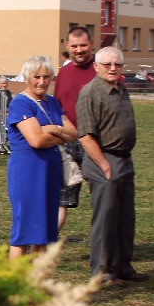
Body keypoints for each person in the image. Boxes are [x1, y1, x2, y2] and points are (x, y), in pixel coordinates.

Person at [76, 46, 145, 286]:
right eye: (107, 64)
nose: (113, 68)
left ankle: (122, 266)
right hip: (104, 160)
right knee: (105, 219)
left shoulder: (121, 89)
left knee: (125, 218)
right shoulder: (90, 92)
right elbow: (85, 135)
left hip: (124, 159)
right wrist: (105, 165)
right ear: (96, 67)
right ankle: (101, 272)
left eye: (117, 64)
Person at [6, 56, 77, 258]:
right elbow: (36, 140)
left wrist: (53, 130)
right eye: (36, 77)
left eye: (46, 77)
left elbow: (73, 133)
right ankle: (15, 283)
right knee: (24, 230)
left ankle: (36, 282)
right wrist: (59, 135)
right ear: (27, 78)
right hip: (28, 172)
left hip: (50, 172)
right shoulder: (20, 103)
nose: (42, 82)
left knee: (45, 231)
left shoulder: (52, 102)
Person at [52, 27, 96, 231]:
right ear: (67, 46)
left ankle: (105, 249)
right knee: (61, 199)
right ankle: (44, 246)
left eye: (83, 45)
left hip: (95, 142)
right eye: (75, 46)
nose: (79, 50)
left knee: (101, 196)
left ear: (91, 44)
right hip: (67, 142)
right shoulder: (63, 73)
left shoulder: (101, 70)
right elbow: (57, 106)